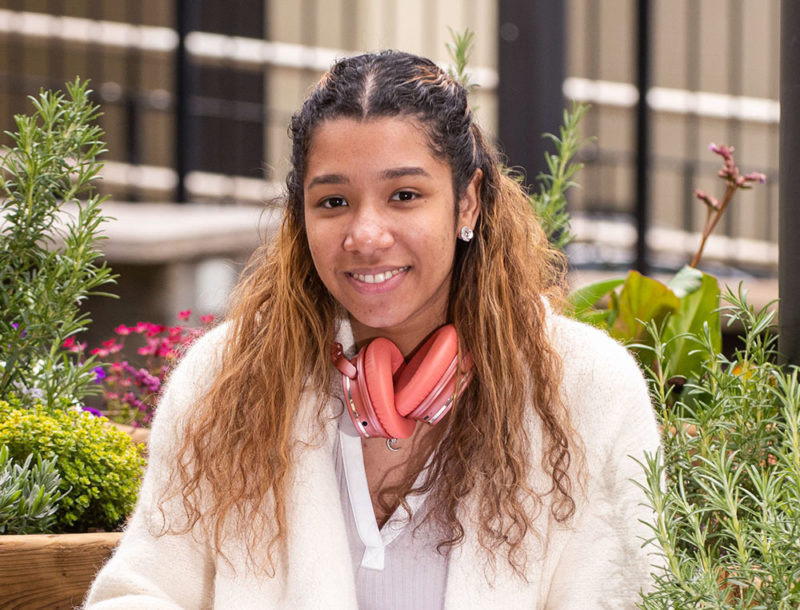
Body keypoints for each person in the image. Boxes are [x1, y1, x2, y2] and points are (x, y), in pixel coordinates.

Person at [85, 50, 661, 609]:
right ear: (300, 216)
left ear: (467, 204)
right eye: (333, 201)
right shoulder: (225, 377)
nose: (365, 235)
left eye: (404, 196)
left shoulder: (587, 388)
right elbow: (143, 590)